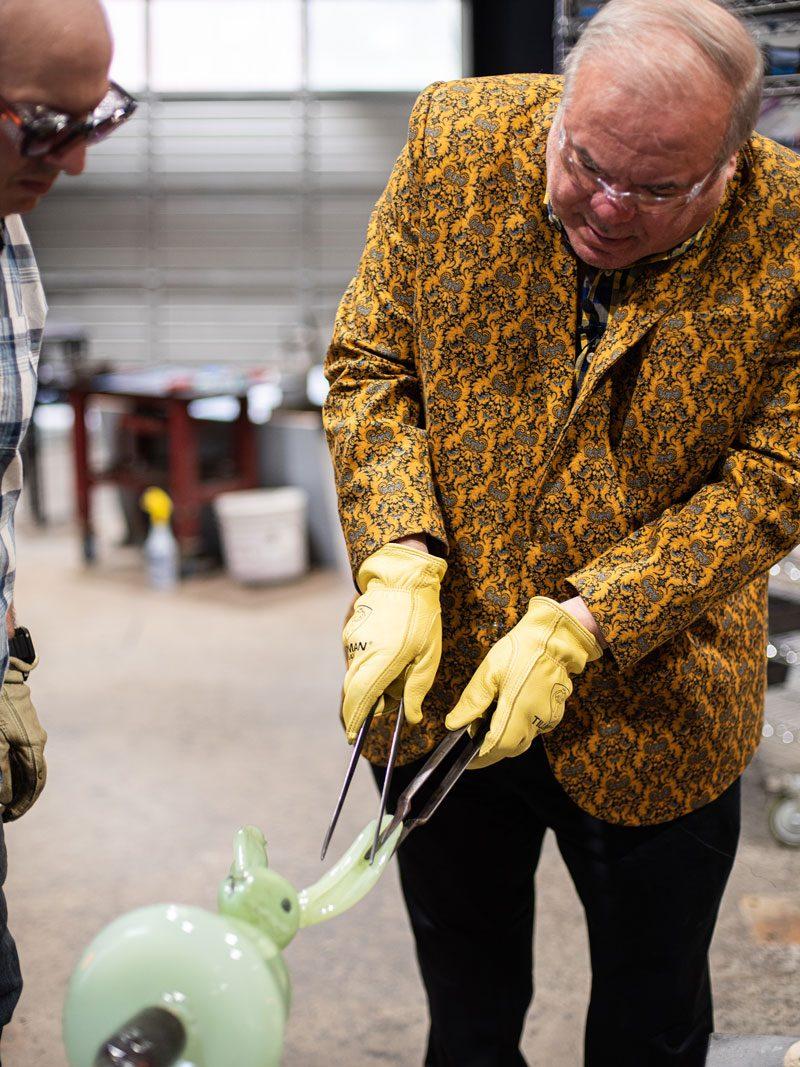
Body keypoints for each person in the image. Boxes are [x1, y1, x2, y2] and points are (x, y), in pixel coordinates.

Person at [323, 0, 800, 1063]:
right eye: (584, 162)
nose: (606, 205)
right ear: (562, 110)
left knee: (650, 1020)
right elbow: (369, 364)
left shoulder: (790, 230)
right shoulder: (455, 140)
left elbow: (775, 475)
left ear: (729, 165)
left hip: (659, 703)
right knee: (469, 1011)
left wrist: (589, 618)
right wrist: (397, 553)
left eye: (655, 187)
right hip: (437, 685)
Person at [0, 0, 136, 1044]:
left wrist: (7, 659)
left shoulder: (11, 253)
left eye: (96, 124)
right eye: (46, 129)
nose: (74, 166)